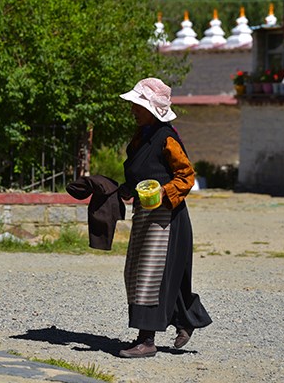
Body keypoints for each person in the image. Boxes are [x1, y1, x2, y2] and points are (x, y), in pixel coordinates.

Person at [116, 77, 211, 358]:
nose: (133, 109)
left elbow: (186, 176)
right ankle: (185, 320)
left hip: (167, 218)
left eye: (138, 104)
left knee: (150, 275)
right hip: (146, 216)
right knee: (148, 273)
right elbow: (139, 173)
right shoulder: (140, 137)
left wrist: (162, 192)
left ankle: (146, 341)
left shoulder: (166, 138)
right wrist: (122, 189)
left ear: (151, 109)